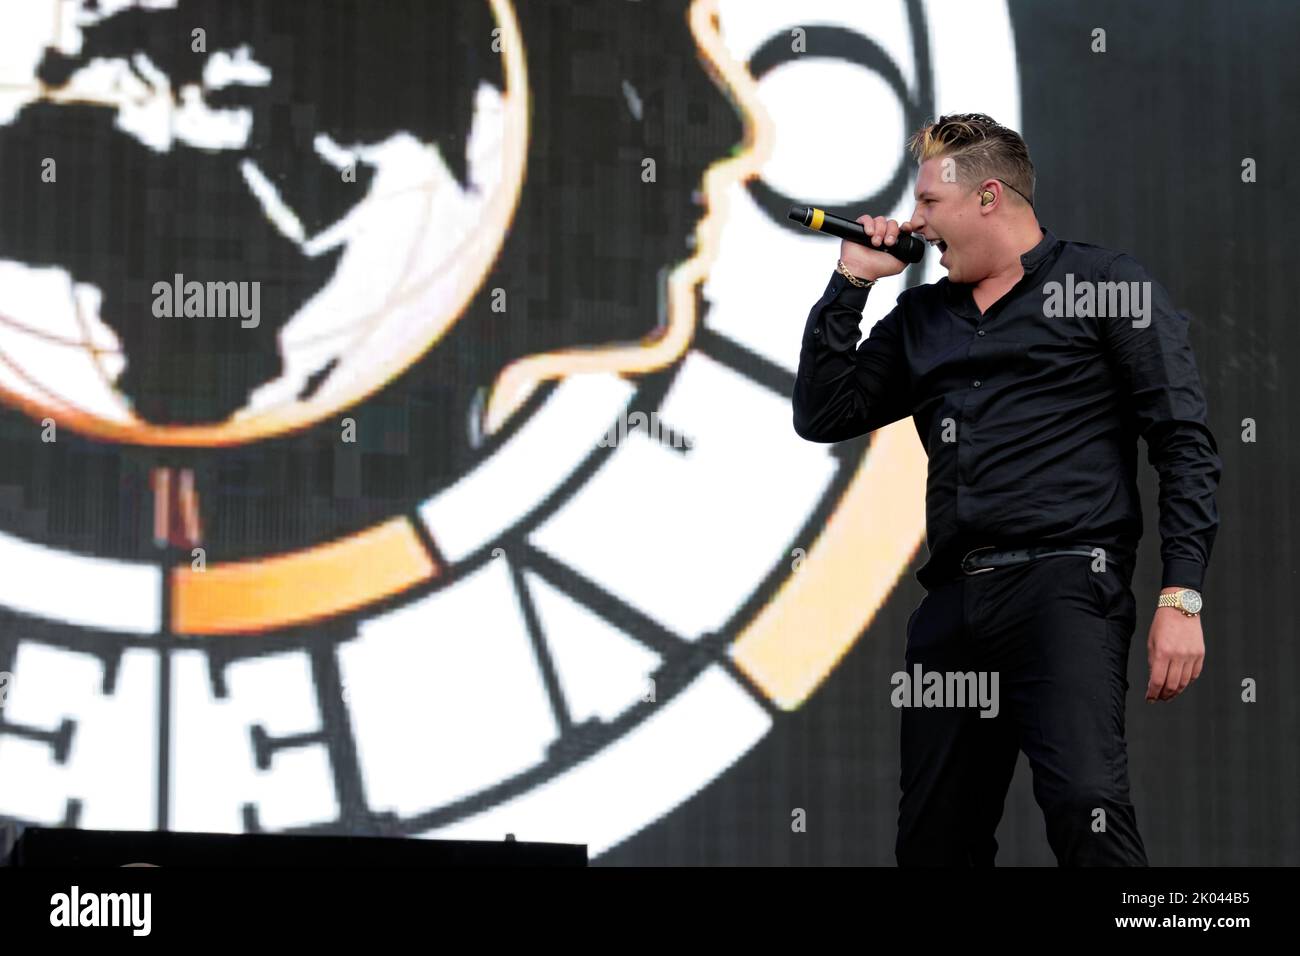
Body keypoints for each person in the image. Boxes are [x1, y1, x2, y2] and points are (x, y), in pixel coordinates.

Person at [792, 113, 1222, 866]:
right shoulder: (922, 316)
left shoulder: (1103, 288)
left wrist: (1181, 595)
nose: (915, 222)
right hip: (955, 604)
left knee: (1085, 802)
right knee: (933, 838)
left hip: (1064, 586)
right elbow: (825, 413)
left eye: (929, 204)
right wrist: (852, 281)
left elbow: (1182, 441)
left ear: (988, 197)